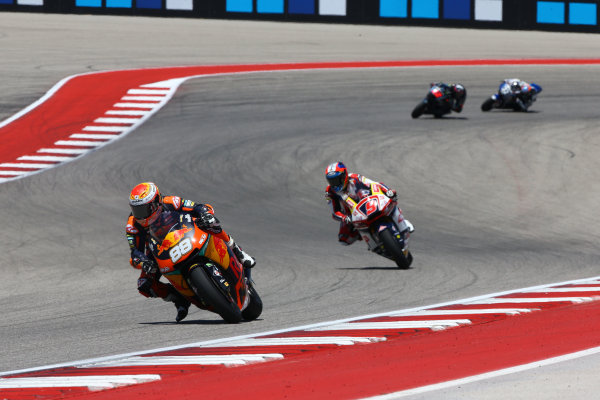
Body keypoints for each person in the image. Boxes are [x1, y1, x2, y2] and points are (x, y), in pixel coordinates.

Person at [126, 182, 256, 323]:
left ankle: (238, 251)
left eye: (144, 209)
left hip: (186, 232)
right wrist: (143, 261)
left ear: (156, 202)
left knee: (211, 223)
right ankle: (179, 299)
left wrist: (205, 214)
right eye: (136, 210)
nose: (139, 215)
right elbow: (135, 253)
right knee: (143, 284)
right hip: (158, 249)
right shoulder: (132, 225)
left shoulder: (171, 202)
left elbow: (197, 207)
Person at [324, 161, 414, 246]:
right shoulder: (329, 192)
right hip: (351, 214)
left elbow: (374, 184)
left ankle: (401, 221)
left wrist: (387, 191)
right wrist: (344, 218)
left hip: (367, 201)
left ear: (344, 176)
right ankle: (367, 236)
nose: (334, 184)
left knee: (391, 198)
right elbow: (335, 212)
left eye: (337, 180)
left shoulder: (355, 177)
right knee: (344, 240)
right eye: (331, 181)